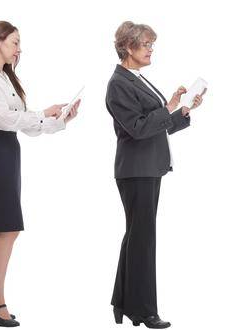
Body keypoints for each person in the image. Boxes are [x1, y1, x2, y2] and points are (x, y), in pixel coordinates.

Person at [0, 21, 80, 328]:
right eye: (15, 42)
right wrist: (43, 112)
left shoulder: (6, 78)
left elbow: (24, 126)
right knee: (6, 227)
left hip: (7, 152)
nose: (19, 49)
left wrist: (61, 119)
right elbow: (3, 119)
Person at [105, 21, 205, 330]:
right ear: (128, 47)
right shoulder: (118, 83)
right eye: (146, 44)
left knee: (137, 239)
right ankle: (144, 311)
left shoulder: (137, 78)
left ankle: (123, 303)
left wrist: (182, 112)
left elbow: (156, 125)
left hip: (149, 168)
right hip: (136, 171)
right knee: (143, 241)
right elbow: (137, 129)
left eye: (151, 44)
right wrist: (168, 109)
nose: (151, 50)